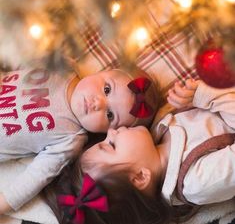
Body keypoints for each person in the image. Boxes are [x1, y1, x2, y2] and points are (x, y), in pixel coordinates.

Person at [46, 79, 235, 224]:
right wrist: (204, 95)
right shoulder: (196, 182)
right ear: (140, 176)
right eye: (111, 145)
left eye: (104, 139)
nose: (111, 131)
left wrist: (187, 93)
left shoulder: (159, 130)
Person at [0, 62, 161, 215]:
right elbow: (20, 58)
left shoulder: (71, 139)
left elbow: (35, 176)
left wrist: (4, 203)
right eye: (106, 89)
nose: (98, 103)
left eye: (110, 114)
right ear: (102, 71)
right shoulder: (62, 67)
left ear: (107, 132)